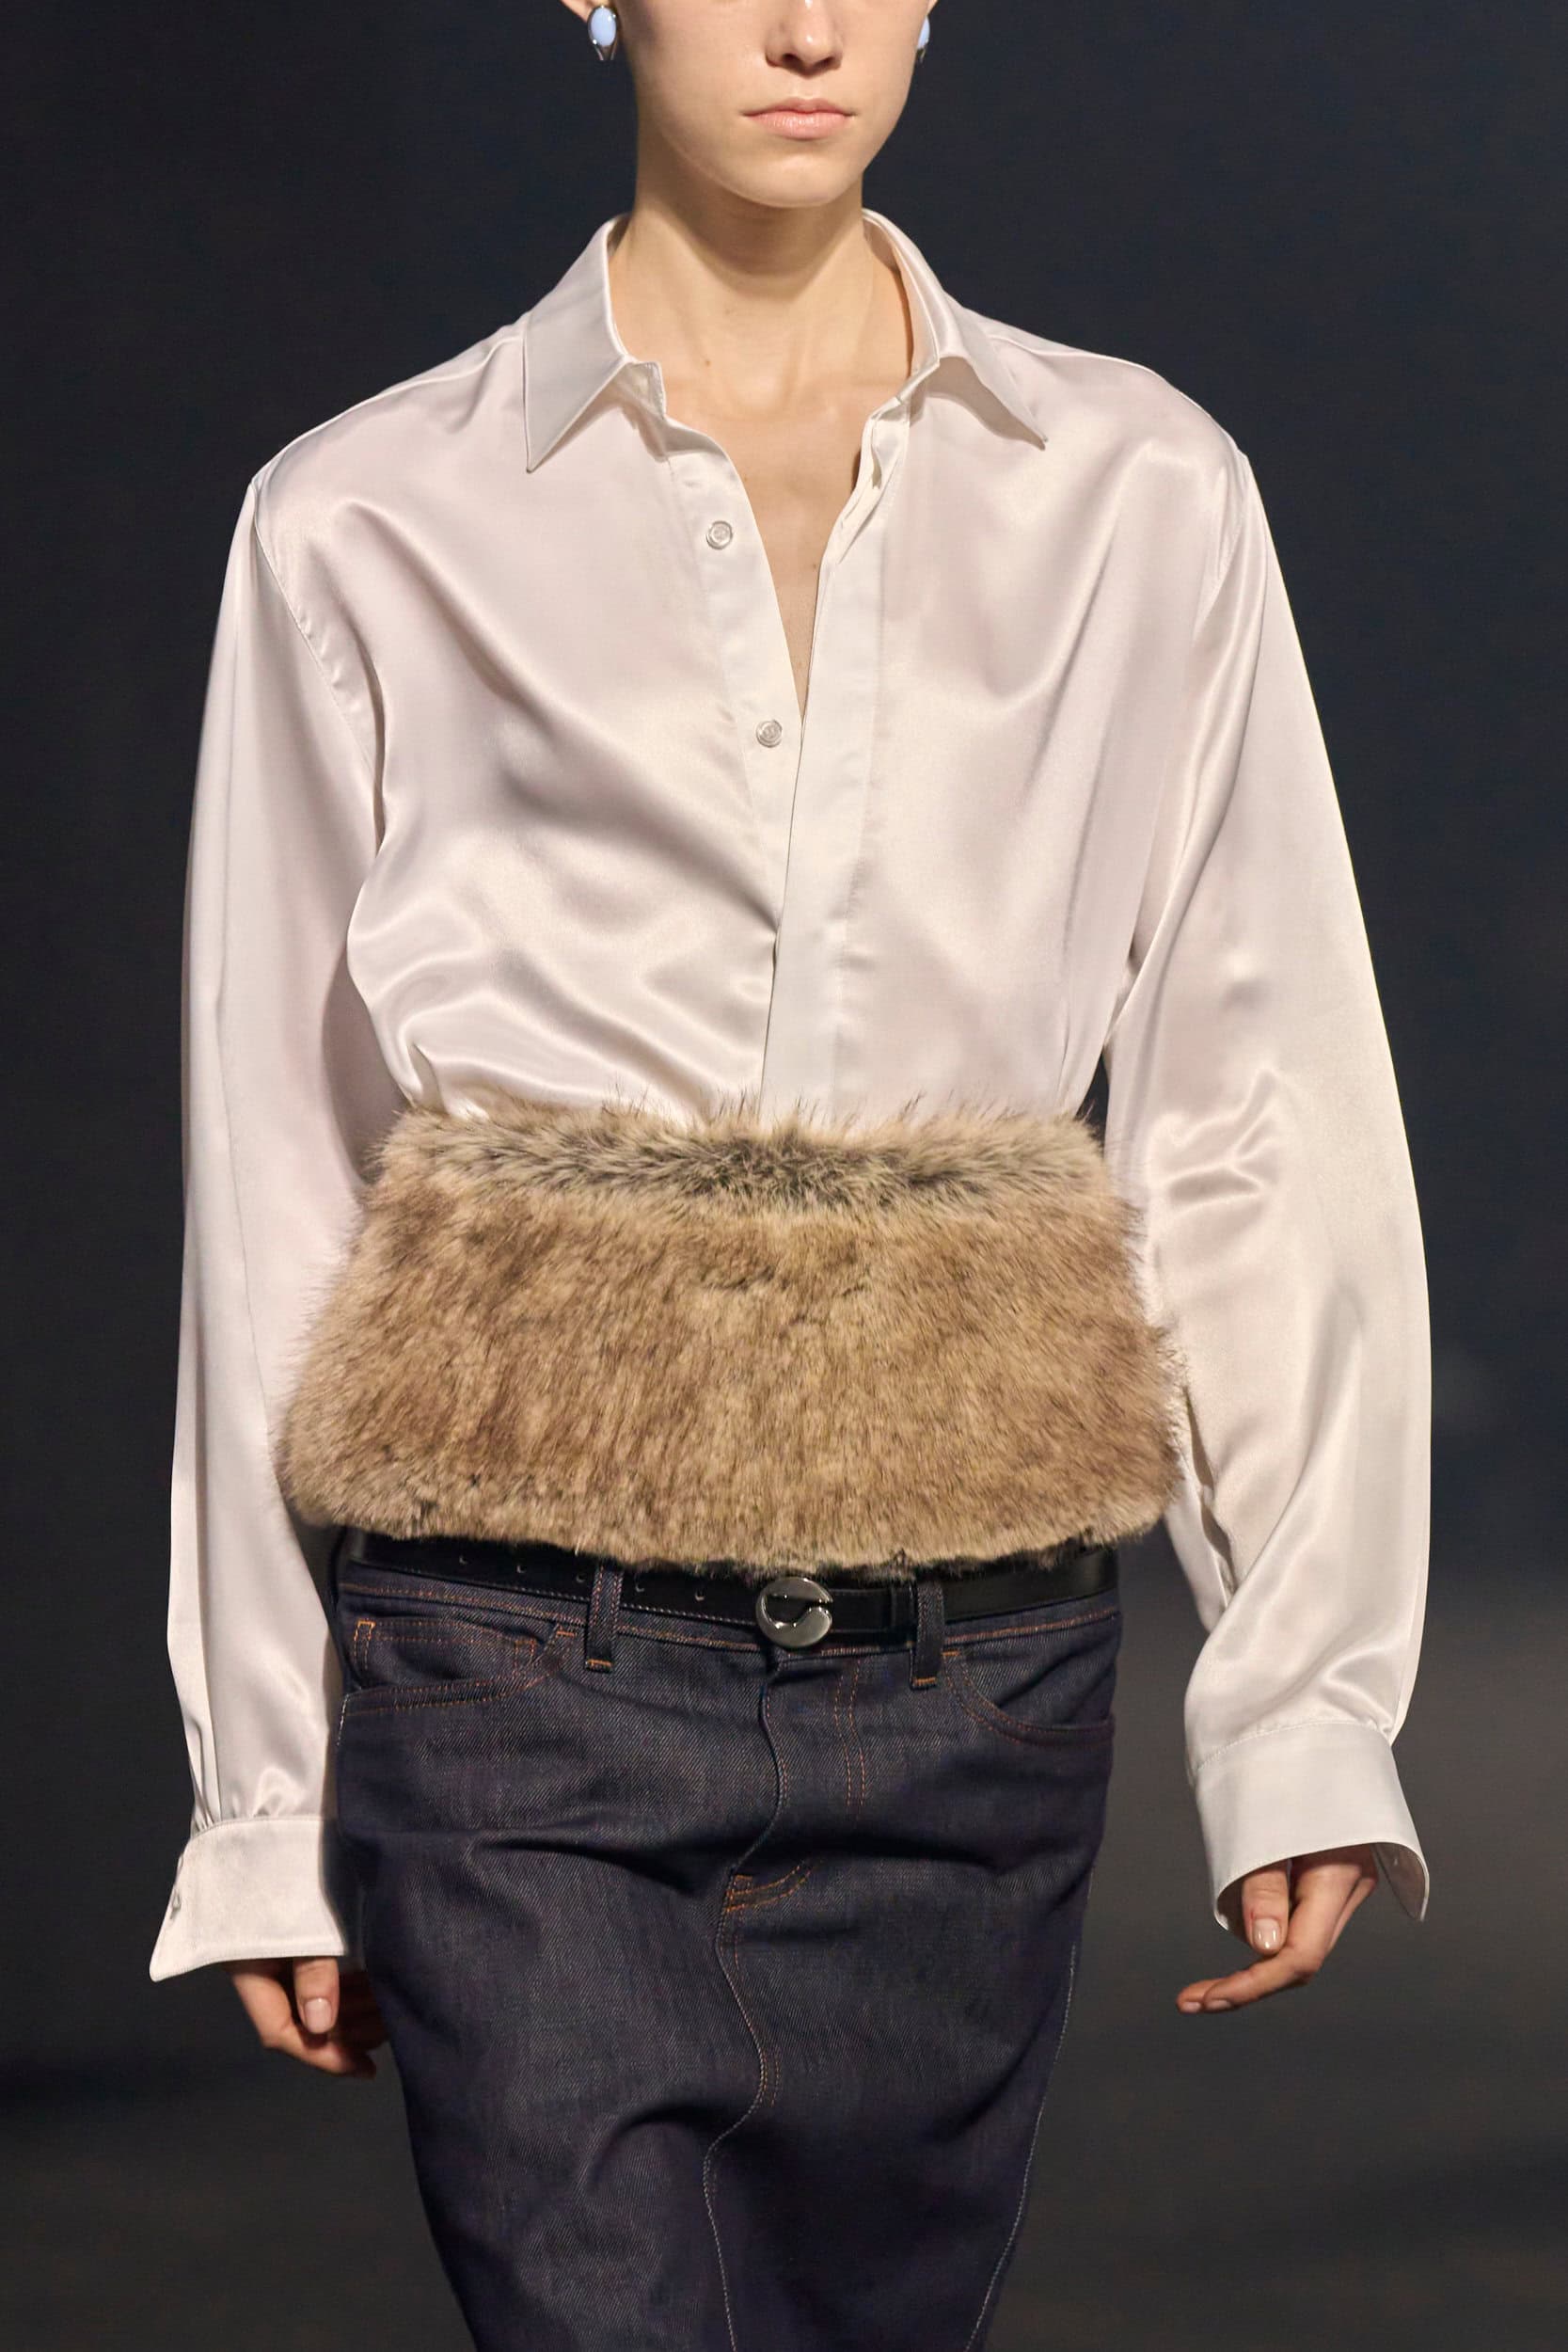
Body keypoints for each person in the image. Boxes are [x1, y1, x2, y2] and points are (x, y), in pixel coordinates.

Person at [150, 1, 1432, 2344]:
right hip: (515, 1661)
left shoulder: (1143, 488)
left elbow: (1252, 1103)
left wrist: (1304, 1700)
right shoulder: (366, 513)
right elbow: (276, 1159)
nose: (813, 27)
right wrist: (261, 1787)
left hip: (974, 1675)